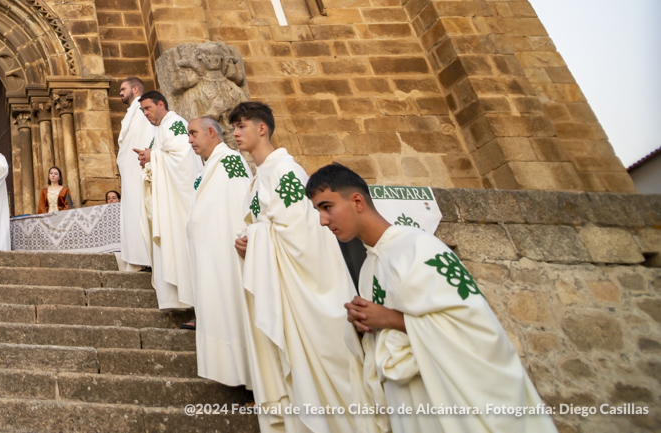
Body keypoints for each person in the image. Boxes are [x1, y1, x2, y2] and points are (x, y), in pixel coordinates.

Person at [308, 163, 557, 433]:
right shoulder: (369, 267)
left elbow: (473, 328)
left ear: (357, 201)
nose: (322, 220)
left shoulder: (420, 247)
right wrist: (362, 325)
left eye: (327, 207)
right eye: (318, 211)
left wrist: (389, 318)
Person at [229, 101, 369, 432]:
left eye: (241, 126)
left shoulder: (285, 170)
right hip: (282, 283)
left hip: (308, 288)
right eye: (234, 127)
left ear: (261, 128)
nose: (234, 133)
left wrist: (256, 237)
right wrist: (249, 241)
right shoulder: (259, 176)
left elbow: (303, 232)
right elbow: (269, 225)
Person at [186, 116, 253, 387]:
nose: (189, 140)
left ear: (211, 132)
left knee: (233, 309)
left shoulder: (230, 161)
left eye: (193, 134)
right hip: (210, 252)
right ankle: (231, 371)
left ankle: (247, 376)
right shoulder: (209, 166)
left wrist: (245, 237)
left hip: (227, 252)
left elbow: (240, 200)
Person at [137, 91, 201, 310]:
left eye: (148, 108)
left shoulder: (175, 124)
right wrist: (150, 158)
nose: (145, 114)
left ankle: (191, 302)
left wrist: (152, 157)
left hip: (178, 203)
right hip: (167, 201)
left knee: (181, 247)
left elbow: (183, 158)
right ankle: (178, 300)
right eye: (143, 110)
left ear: (161, 104)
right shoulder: (161, 130)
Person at [114, 76, 153, 271]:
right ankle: (137, 256)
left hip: (139, 167)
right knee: (132, 210)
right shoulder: (132, 111)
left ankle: (145, 255)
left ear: (135, 89)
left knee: (140, 208)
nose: (120, 93)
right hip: (129, 169)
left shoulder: (143, 110)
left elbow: (146, 135)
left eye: (123, 89)